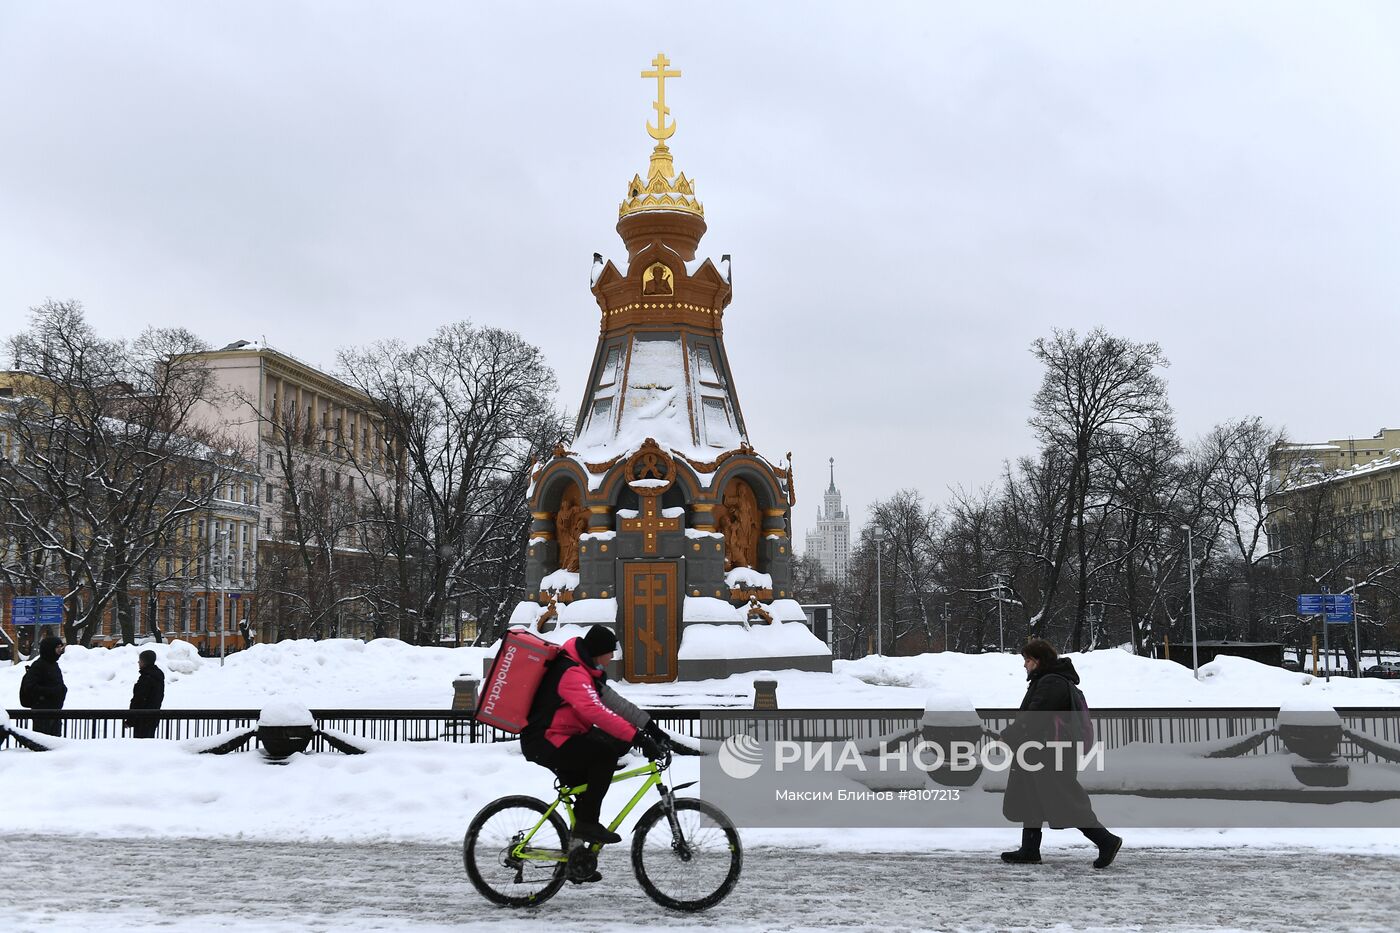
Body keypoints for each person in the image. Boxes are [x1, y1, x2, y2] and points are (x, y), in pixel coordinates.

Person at [520, 625, 668, 864]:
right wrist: (637, 738)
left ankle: (577, 857)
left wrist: (652, 729)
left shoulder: (587, 673)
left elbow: (618, 705)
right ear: (598, 652)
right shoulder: (573, 673)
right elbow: (596, 712)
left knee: (609, 750)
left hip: (561, 736)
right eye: (610, 653)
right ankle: (587, 824)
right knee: (604, 755)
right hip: (546, 740)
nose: (611, 658)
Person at [999, 638, 1123, 868]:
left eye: (1027, 660)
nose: (1024, 665)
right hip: (1040, 751)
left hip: (1051, 753)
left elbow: (1036, 716)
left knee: (1065, 800)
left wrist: (1011, 733)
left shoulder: (1052, 682)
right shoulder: (1049, 680)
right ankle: (1029, 850)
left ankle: (1106, 840)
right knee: (1032, 799)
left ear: (1038, 660)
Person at [19, 635, 68, 737]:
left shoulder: (53, 665)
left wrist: (62, 690)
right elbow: (30, 688)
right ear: (50, 649)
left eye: (61, 647)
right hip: (42, 714)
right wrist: (52, 692)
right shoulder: (39, 666)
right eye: (57, 648)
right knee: (43, 743)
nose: (60, 651)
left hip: (54, 712)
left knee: (55, 744)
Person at [125, 649, 166, 739]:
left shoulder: (146, 678)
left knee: (140, 745)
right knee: (148, 744)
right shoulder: (157, 676)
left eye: (140, 660)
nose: (138, 662)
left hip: (142, 719)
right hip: (153, 716)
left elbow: (138, 700)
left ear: (143, 662)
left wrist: (130, 719)